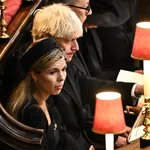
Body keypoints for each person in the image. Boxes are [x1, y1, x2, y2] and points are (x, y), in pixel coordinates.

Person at [32, 2, 144, 150]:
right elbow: (61, 133)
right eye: (68, 40)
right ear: (47, 39)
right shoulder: (43, 79)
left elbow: (85, 87)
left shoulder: (64, 62)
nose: (76, 47)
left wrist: (138, 89)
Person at [6, 37, 81, 150]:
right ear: (34, 75)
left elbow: (63, 137)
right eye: (53, 72)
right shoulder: (32, 113)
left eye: (64, 69)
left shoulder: (48, 98)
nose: (61, 78)